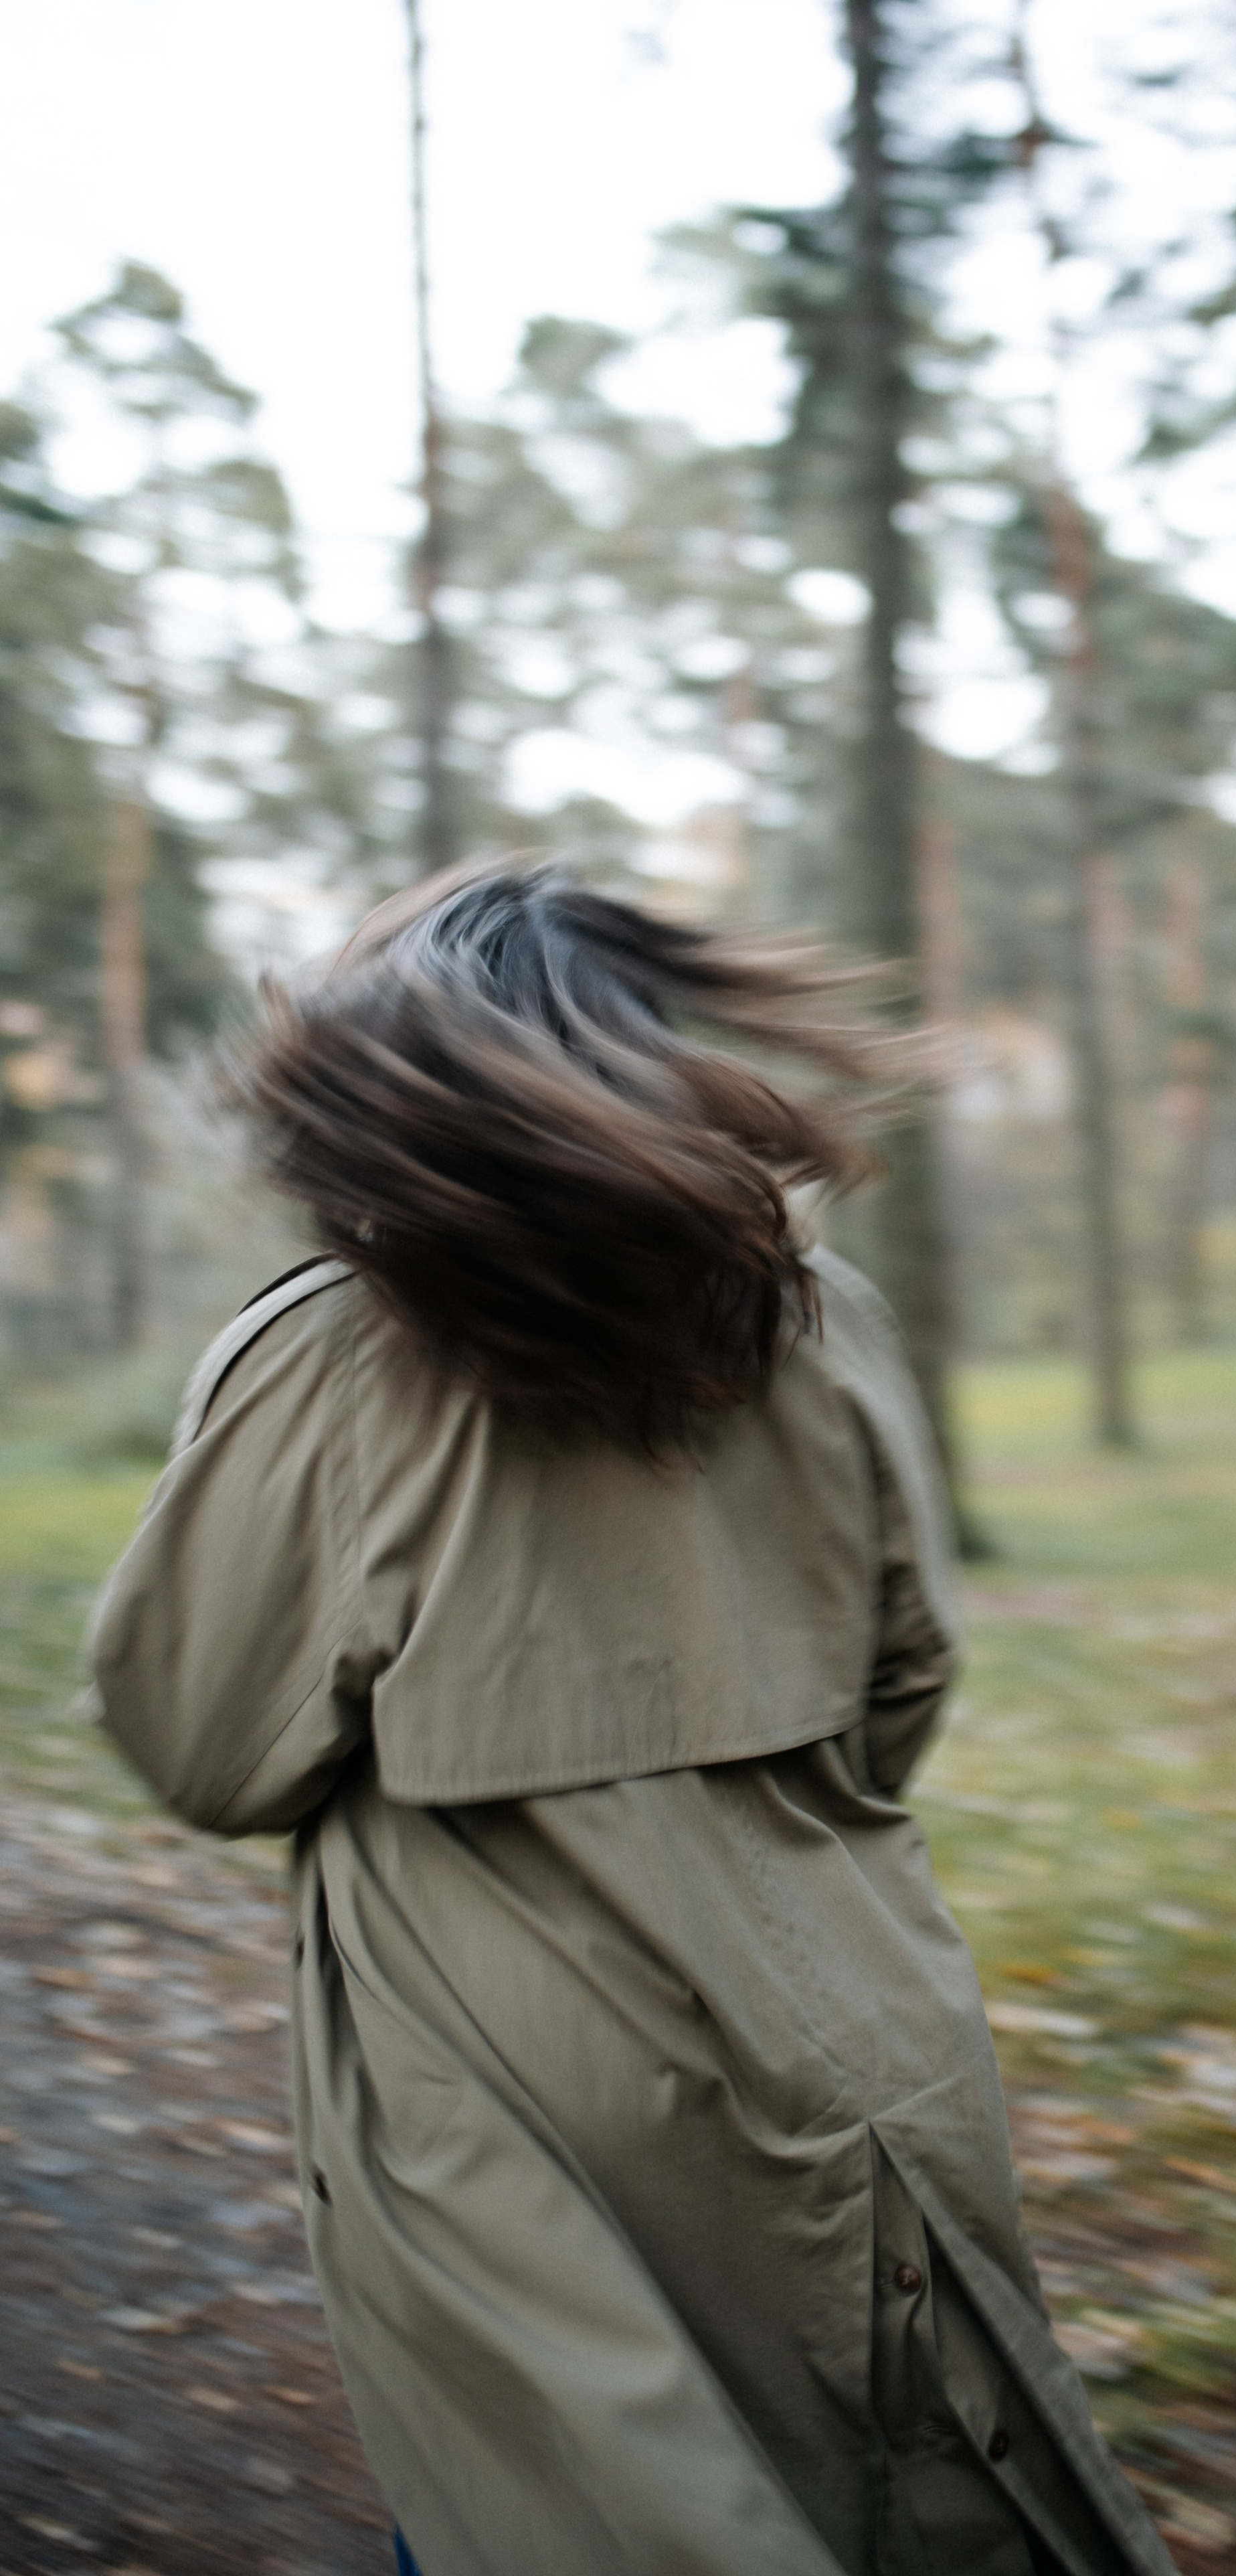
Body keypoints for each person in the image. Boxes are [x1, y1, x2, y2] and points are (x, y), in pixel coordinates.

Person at [90, 862, 1176, 2576]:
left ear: (387, 1068)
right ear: (638, 1043)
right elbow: (902, 1687)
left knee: (548, 2513)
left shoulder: (332, 1350)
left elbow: (206, 1739)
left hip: (506, 2088)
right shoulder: (817, 1313)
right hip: (855, 2021)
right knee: (910, 2499)